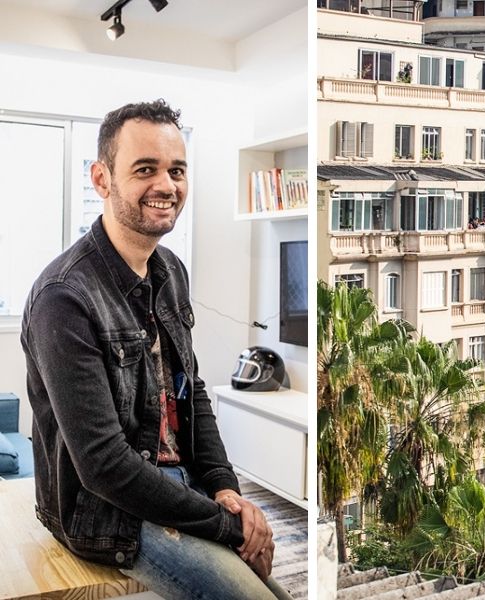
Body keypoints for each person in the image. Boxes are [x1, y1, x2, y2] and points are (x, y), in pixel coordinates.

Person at [20, 100, 292, 600]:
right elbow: (104, 466)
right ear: (102, 179)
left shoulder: (170, 271)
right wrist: (228, 525)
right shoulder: (64, 297)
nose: (166, 186)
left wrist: (223, 485)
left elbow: (193, 393)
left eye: (177, 170)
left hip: (177, 483)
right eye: (145, 169)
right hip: (105, 511)